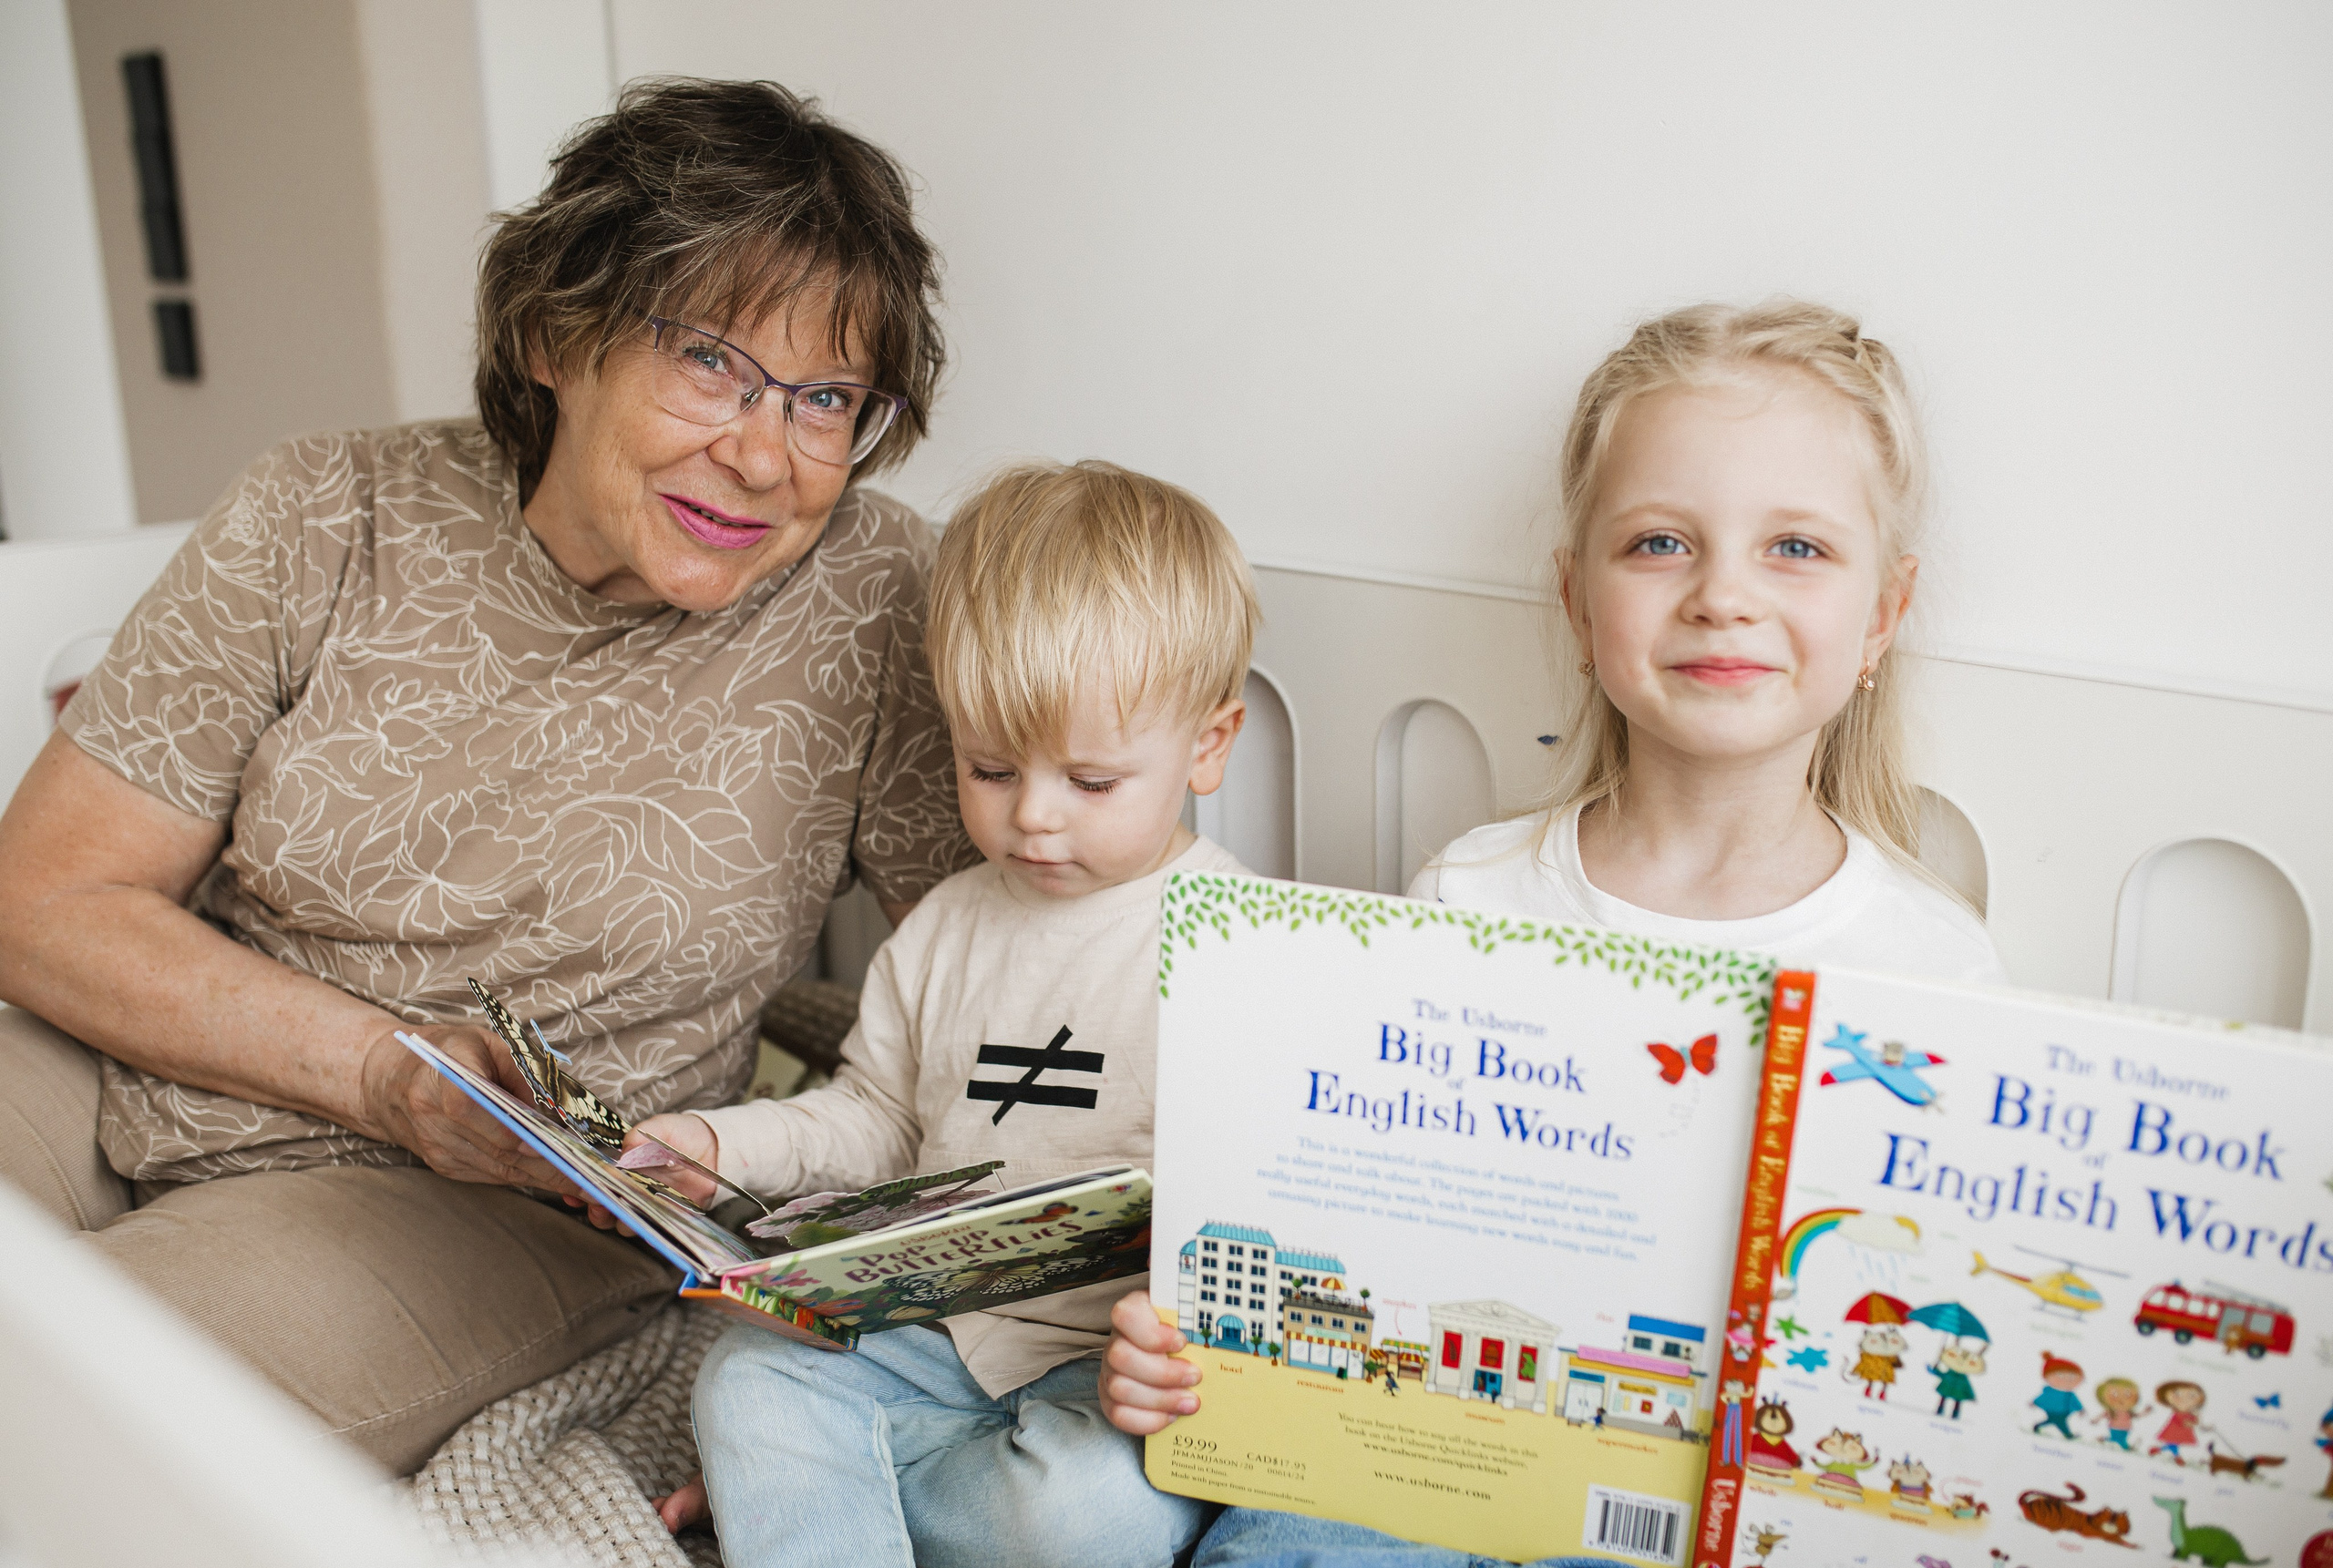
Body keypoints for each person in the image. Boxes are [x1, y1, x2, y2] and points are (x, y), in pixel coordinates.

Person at [0, 78, 970, 1472]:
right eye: (710, 361)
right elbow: (46, 897)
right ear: (552, 336)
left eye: (827, 398)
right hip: (143, 1055)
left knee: (61, 1405)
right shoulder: (325, 509)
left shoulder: (876, 598)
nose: (764, 454)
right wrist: (377, 1069)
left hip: (501, 1208)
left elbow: (1039, 971)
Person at [1097, 301, 2009, 1563]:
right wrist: (1190, 1351)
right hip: (1449, 1465)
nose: (1724, 596)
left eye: (1795, 546)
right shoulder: (1471, 895)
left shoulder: (1938, 967)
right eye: (1660, 543)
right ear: (1579, 604)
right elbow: (1356, 1265)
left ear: (1883, 615)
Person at [630, 461, 1256, 1567]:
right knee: (746, 1377)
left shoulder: (1240, 945)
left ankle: (828, 1505)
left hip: (1105, 1368)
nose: (1034, 818)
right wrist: (720, 1145)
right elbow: (873, 1117)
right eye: (991, 766)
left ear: (1207, 743)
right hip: (933, 1339)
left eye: (1093, 781)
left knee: (1086, 1515)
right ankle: (823, 1498)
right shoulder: (948, 926)